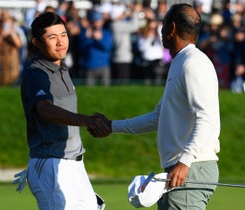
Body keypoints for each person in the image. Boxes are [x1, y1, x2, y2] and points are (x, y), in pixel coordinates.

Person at [95, 4, 221, 210]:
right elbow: (158, 117)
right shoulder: (181, 62)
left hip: (190, 168)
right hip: (184, 168)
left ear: (171, 28)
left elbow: (206, 119)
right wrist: (112, 126)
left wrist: (185, 161)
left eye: (162, 25)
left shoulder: (192, 63)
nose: (160, 30)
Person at [20, 12, 109, 210]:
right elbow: (45, 110)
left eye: (63, 35)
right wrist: (87, 121)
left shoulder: (63, 69)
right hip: (50, 164)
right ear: (36, 42)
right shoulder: (37, 74)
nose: (60, 42)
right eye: (52, 37)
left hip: (75, 164)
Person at [79, 11, 113, 86]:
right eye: (95, 21)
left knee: (105, 91)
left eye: (99, 21)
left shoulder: (106, 33)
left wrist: (99, 40)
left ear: (102, 22)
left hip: (104, 66)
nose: (97, 23)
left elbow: (108, 48)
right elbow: (81, 49)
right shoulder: (86, 33)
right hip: (89, 65)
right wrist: (87, 38)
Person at [0, 10, 22, 86]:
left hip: (12, 64)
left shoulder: (15, 33)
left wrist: (12, 33)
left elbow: (19, 45)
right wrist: (1, 35)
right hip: (0, 63)